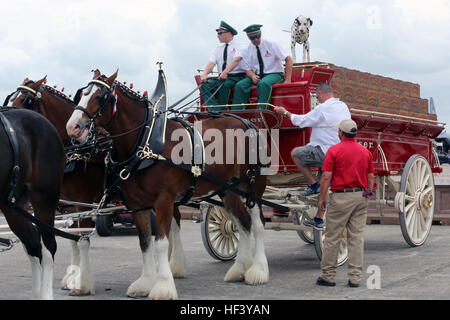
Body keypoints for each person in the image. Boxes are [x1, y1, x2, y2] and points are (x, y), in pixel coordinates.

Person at [305, 119, 375, 288]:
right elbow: (371, 176)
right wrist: (368, 194)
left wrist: (322, 198)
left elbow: (326, 177)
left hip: (341, 197)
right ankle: (355, 278)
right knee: (356, 239)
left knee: (332, 238)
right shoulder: (365, 152)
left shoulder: (334, 150)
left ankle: (328, 276)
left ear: (341, 133)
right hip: (360, 196)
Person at [273, 82, 351, 197]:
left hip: (325, 152)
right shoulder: (343, 106)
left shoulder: (322, 108)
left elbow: (301, 121)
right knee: (322, 192)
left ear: (320, 93)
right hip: (339, 152)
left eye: (316, 96)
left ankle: (313, 184)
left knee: (295, 153)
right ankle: (320, 195)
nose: (317, 98)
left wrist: (284, 112)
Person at [231, 24, 293, 110]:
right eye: (252, 37)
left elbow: (288, 59)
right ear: (248, 37)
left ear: (261, 34)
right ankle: (237, 113)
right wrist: (252, 76)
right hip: (258, 75)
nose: (256, 39)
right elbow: (248, 69)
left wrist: (287, 80)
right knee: (240, 85)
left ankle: (261, 111)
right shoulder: (247, 49)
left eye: (257, 36)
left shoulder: (271, 43)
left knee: (263, 84)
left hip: (275, 73)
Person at [200, 21, 247, 111]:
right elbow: (211, 63)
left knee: (224, 85)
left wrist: (225, 72)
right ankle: (214, 110)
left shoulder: (240, 46)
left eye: (220, 33)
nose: (218, 35)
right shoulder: (217, 49)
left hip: (237, 76)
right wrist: (205, 74)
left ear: (229, 33)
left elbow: (236, 60)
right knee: (204, 85)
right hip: (222, 77)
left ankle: (223, 109)